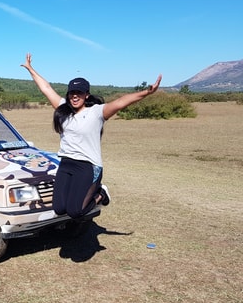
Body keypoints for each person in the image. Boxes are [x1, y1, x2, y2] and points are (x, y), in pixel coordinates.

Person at [20, 53, 161, 219]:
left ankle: (101, 193)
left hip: (87, 166)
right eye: (72, 92)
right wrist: (31, 69)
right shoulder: (62, 108)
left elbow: (122, 101)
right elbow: (46, 88)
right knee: (59, 209)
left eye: (79, 93)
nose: (74, 96)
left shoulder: (96, 112)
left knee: (75, 211)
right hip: (66, 163)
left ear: (86, 95)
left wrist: (147, 92)